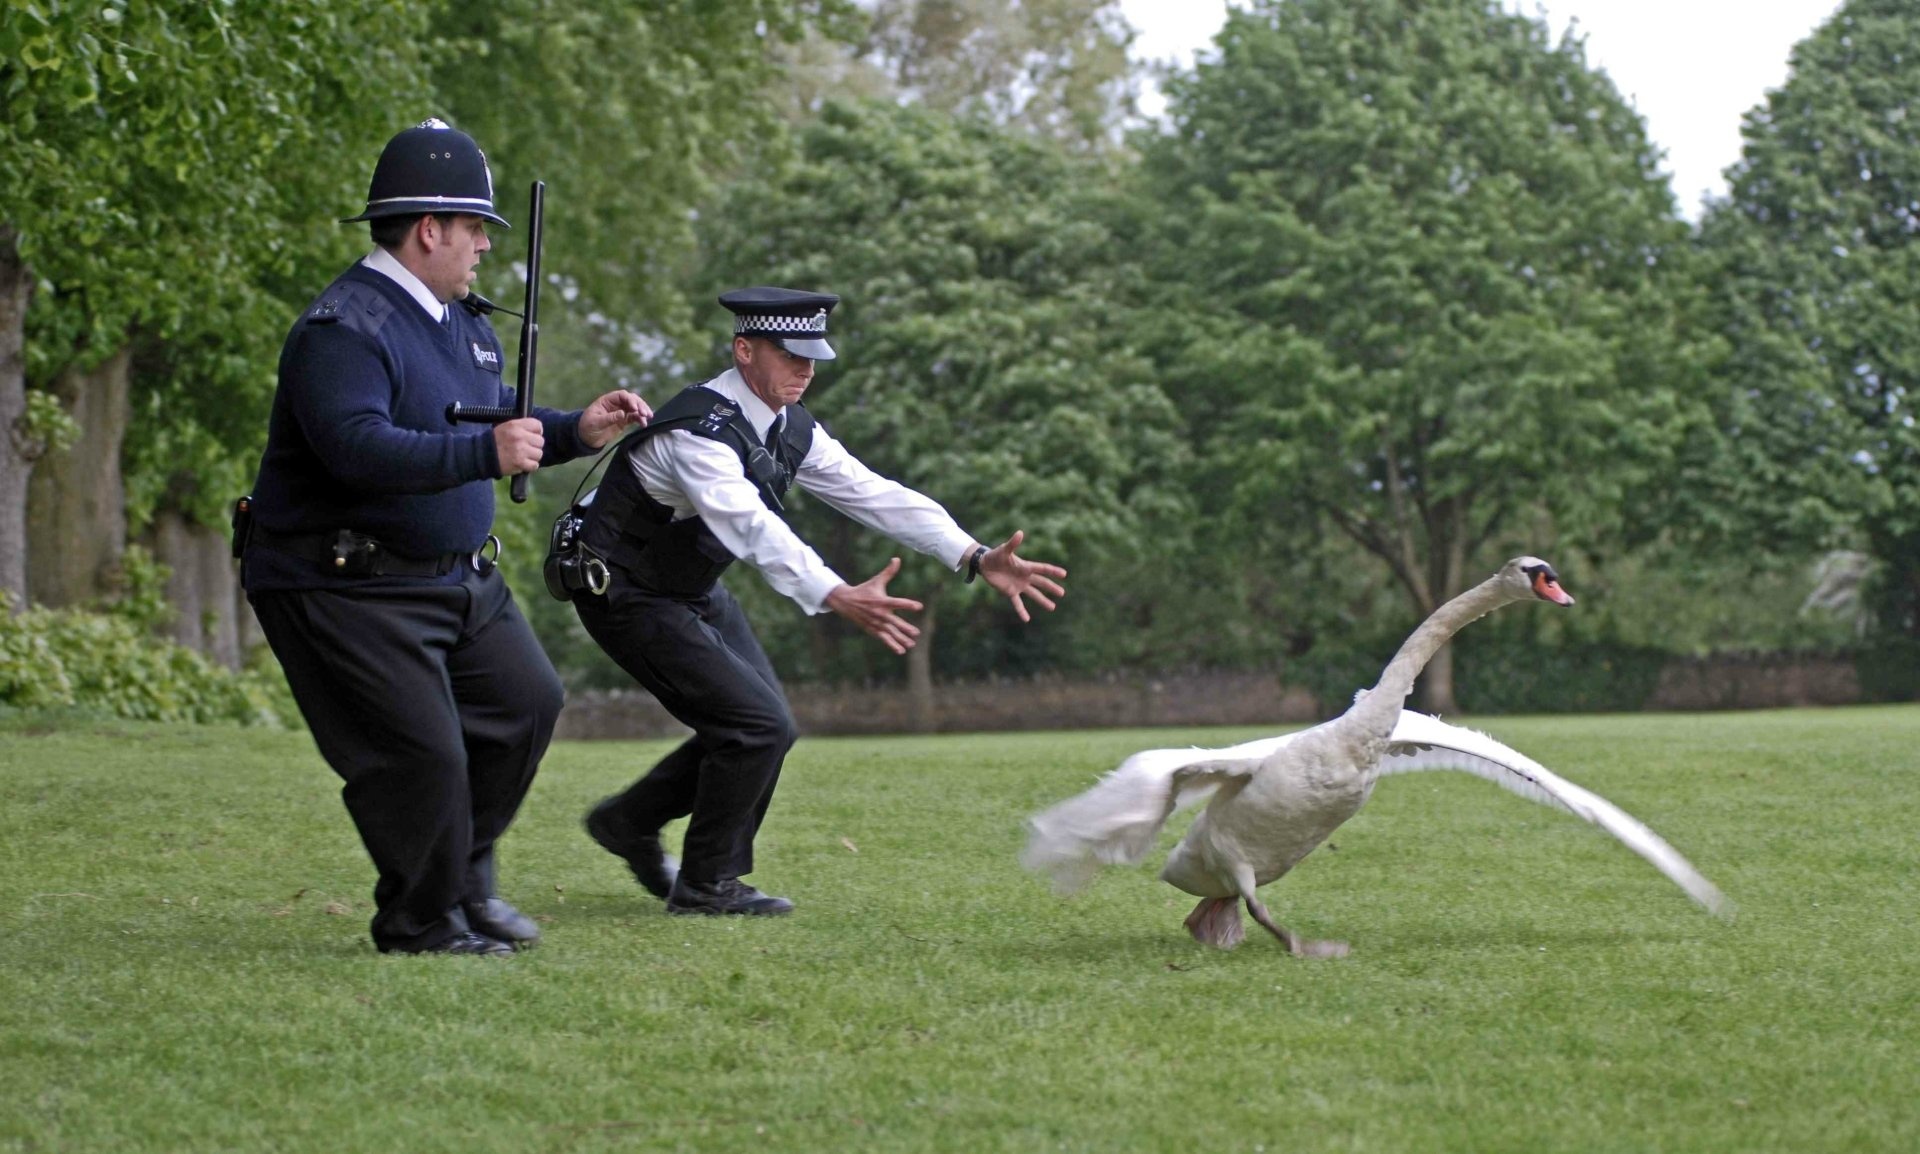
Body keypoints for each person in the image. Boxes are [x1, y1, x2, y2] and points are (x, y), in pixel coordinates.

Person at [240, 118, 650, 956]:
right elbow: (354, 448)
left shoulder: (463, 323)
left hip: (453, 576)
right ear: (429, 229)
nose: (484, 249)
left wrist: (579, 430)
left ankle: (463, 883)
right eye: (475, 230)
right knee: (421, 757)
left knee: (525, 705)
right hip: (343, 580)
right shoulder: (342, 329)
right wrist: (482, 453)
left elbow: (493, 421)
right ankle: (421, 921)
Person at [574, 286, 1067, 916]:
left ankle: (628, 822)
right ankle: (705, 886)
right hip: (623, 591)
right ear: (745, 349)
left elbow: (873, 493)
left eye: (813, 356)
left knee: (764, 727)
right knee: (757, 726)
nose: (806, 369)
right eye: (791, 355)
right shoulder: (699, 434)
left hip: (686, 588)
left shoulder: (786, 427)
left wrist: (972, 553)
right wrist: (832, 591)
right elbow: (750, 526)